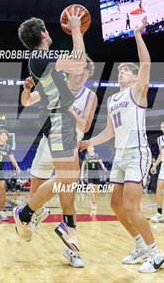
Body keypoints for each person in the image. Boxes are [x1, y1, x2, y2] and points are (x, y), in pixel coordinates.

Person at [80, 16, 164, 273]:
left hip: (137, 154)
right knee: (115, 205)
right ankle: (140, 245)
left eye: (125, 71)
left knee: (130, 205)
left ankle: (157, 253)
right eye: (119, 71)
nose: (121, 73)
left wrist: (138, 35)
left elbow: (146, 63)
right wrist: (88, 142)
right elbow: (109, 131)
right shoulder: (113, 99)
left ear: (133, 76)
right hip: (119, 155)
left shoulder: (137, 91)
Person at [13, 7, 87, 252]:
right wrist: (76, 29)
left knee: (70, 180)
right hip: (58, 122)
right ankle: (25, 213)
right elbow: (79, 63)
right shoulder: (40, 58)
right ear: (44, 34)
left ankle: (69, 226)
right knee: (66, 178)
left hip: (61, 120)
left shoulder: (41, 60)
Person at [21, 55, 97, 268]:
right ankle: (31, 215)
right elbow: (26, 102)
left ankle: (72, 248)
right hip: (48, 142)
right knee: (36, 196)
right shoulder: (55, 87)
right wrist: (27, 89)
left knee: (68, 199)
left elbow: (86, 126)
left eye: (86, 74)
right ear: (71, 70)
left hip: (70, 145)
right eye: (79, 72)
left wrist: (71, 111)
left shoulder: (90, 96)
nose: (82, 77)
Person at [81, 146, 107, 211]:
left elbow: (101, 162)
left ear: (93, 149)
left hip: (97, 174)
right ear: (87, 150)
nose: (90, 149)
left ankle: (91, 199)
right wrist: (82, 174)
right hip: (89, 174)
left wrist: (103, 167)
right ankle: (93, 203)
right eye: (89, 148)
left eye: (91, 148)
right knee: (91, 189)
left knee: (97, 191)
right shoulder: (86, 156)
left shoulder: (97, 155)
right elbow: (83, 166)